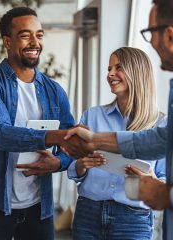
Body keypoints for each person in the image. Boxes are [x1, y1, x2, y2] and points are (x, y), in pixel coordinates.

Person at [0, 7, 91, 240]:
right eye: (25, 35)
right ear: (7, 41)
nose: (35, 42)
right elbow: (0, 134)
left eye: (39, 35)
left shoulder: (54, 91)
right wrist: (56, 135)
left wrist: (58, 163)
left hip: (39, 206)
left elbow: (70, 147)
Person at [64, 0, 173, 238]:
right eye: (109, 68)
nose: (110, 74)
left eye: (119, 68)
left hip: (132, 218)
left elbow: (164, 172)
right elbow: (73, 165)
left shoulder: (160, 122)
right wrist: (82, 162)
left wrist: (153, 181)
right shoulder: (92, 116)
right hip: (89, 212)